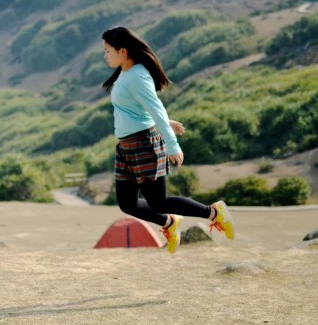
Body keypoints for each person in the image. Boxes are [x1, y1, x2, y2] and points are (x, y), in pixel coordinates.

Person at [101, 26, 235, 253]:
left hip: (143, 146)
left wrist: (172, 143)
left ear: (122, 51)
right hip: (126, 147)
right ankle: (170, 223)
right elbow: (136, 111)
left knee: (159, 202)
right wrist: (161, 124)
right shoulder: (126, 72)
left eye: (107, 51)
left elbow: (156, 108)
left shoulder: (136, 76)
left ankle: (214, 213)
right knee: (127, 204)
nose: (105, 56)